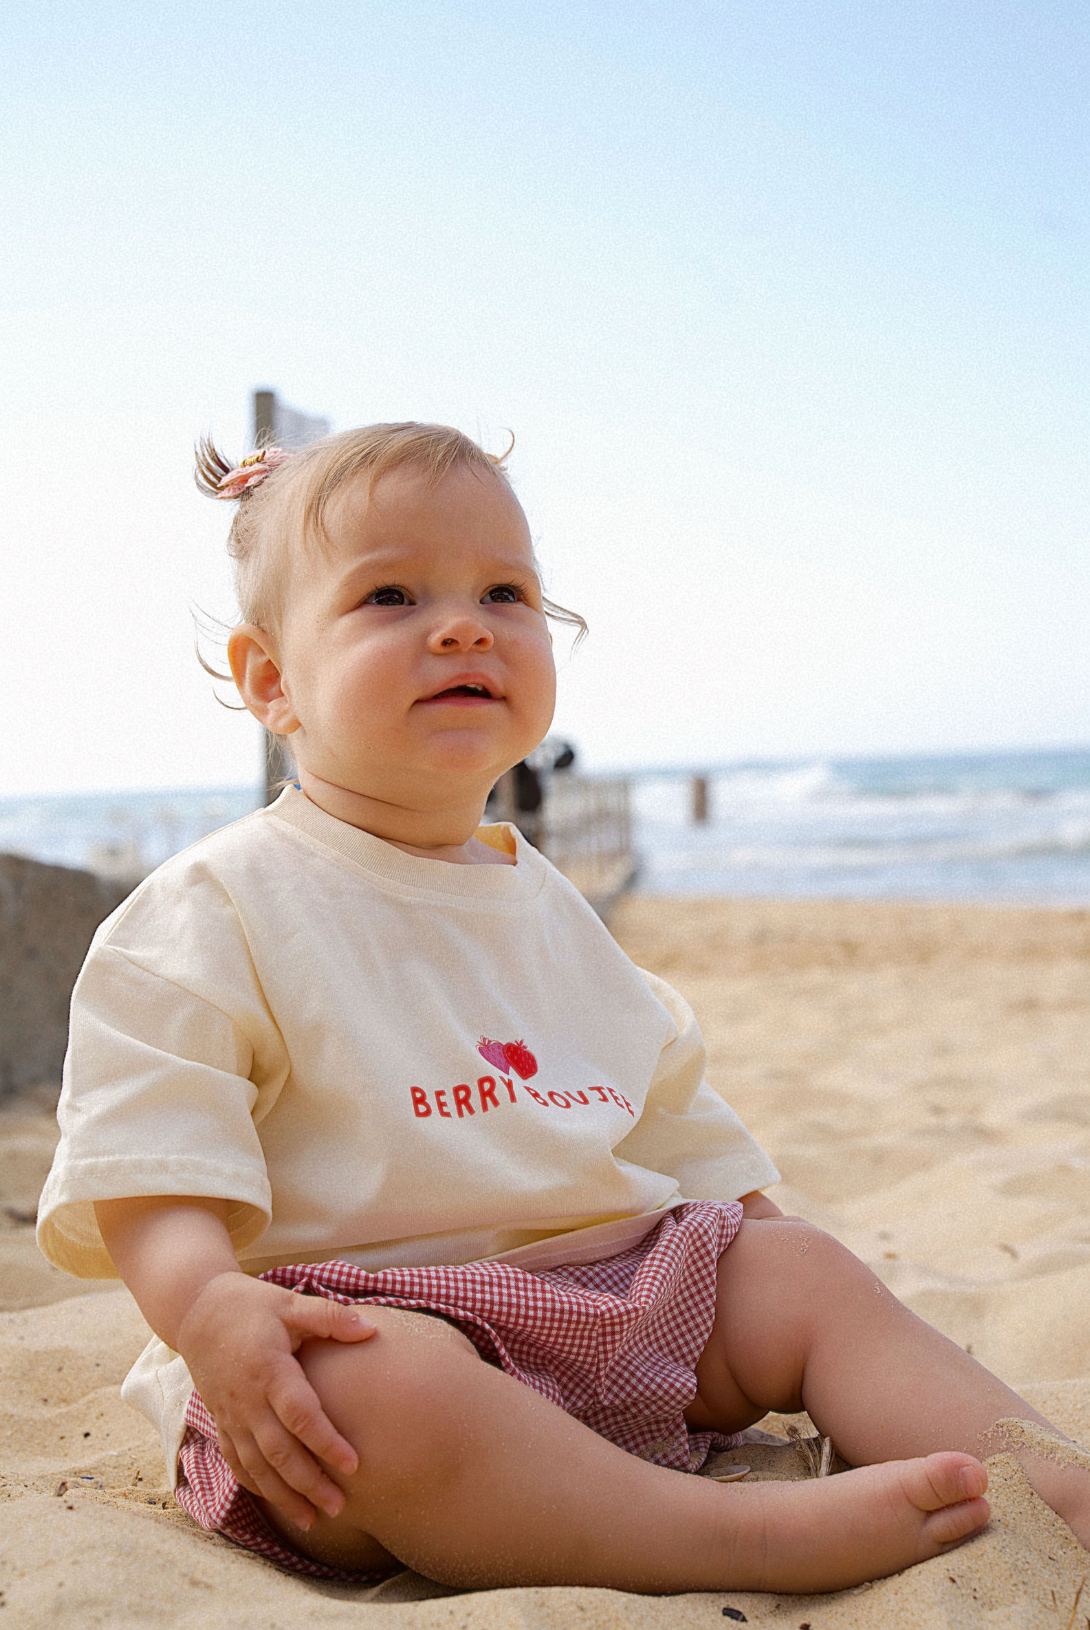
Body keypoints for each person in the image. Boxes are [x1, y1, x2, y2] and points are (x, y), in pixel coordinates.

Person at [38, 424, 1090, 1595]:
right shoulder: (215, 906)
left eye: (506, 591)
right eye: (390, 595)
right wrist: (210, 1309)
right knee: (383, 1388)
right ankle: (716, 1535)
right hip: (367, 1327)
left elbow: (677, 1129)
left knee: (802, 1272)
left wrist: (768, 1258)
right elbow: (150, 1163)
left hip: (615, 1306)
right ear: (271, 681)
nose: (462, 624)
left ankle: (1040, 1479)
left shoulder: (550, 907)